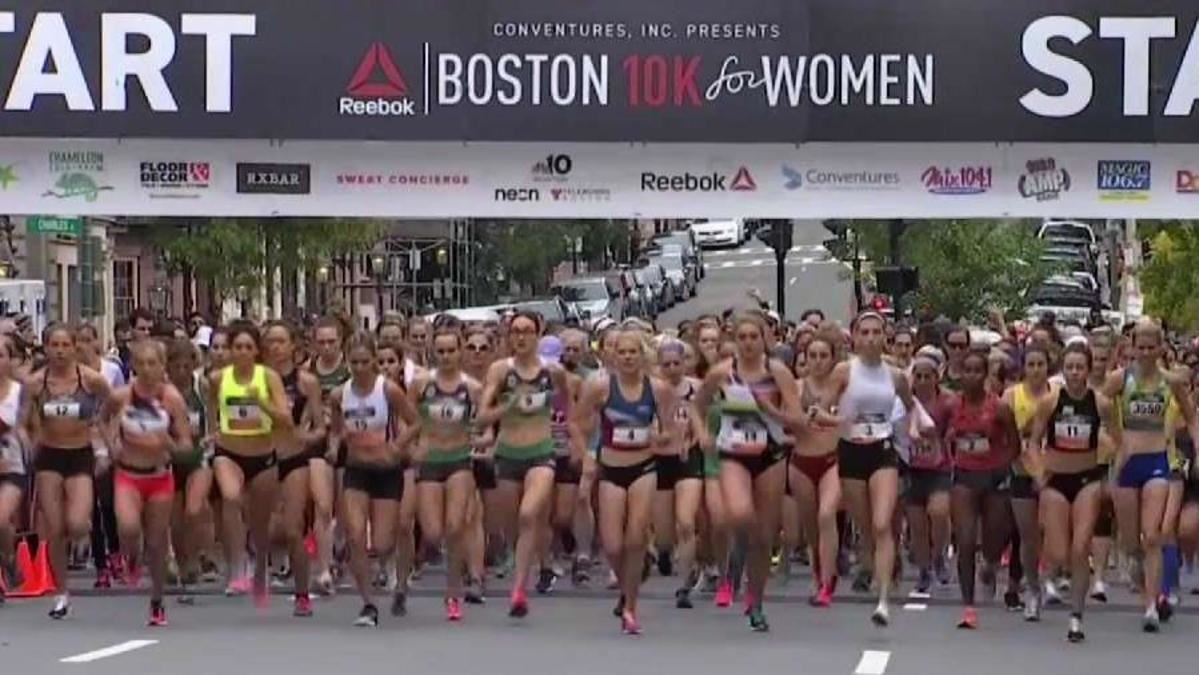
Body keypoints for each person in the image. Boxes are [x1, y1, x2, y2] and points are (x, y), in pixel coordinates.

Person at [694, 314, 801, 632]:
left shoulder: (777, 372)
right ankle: (739, 549)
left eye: (754, 336)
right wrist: (703, 434)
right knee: (740, 514)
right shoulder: (722, 373)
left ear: (764, 338)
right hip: (733, 452)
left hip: (770, 453)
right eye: (742, 337)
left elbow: (796, 418)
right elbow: (697, 407)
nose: (748, 343)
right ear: (735, 340)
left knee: (765, 537)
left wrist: (772, 411)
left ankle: (756, 600)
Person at [827, 311, 926, 627]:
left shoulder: (895, 375)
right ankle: (870, 560)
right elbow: (823, 409)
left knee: (883, 523)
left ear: (885, 337)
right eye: (864, 332)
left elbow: (911, 407)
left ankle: (883, 599)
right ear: (855, 337)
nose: (870, 338)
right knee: (867, 526)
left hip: (883, 450)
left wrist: (913, 429)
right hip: (851, 450)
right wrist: (835, 419)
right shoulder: (844, 371)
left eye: (876, 332)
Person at [1103, 318, 1199, 631]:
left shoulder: (1170, 382)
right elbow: (1098, 405)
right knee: (1132, 542)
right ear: (1132, 348)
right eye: (1140, 348)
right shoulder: (1120, 379)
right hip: (1127, 464)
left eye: (1151, 347)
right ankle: (1139, 568)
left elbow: (1191, 417)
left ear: (1160, 348)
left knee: (1153, 535)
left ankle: (1150, 607)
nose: (1145, 353)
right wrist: (1113, 439)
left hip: (1158, 460)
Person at [575, 327, 671, 634]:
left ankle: (630, 607)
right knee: (613, 545)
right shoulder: (600, 387)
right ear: (613, 357)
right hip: (611, 468)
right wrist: (586, 453)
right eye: (622, 352)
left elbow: (671, 430)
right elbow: (578, 421)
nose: (628, 358)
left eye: (633, 352)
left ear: (642, 356)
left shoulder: (657, 388)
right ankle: (628, 581)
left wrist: (659, 438)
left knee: (635, 537)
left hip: (644, 467)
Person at [478, 311, 574, 618]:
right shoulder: (500, 370)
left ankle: (519, 589)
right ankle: (535, 565)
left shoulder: (553, 371)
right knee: (513, 526)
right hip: (507, 454)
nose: (521, 337)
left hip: (541, 453)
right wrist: (507, 403)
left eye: (527, 331)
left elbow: (569, 405)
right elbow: (482, 416)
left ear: (538, 334)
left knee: (529, 514)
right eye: (516, 331)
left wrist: (572, 439)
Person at [1027, 342, 1121, 642]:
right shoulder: (1050, 401)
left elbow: (1119, 441)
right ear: (1063, 370)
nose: (1075, 373)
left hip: (1087, 480)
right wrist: (1038, 472)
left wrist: (1111, 470)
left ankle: (1076, 617)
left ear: (1089, 369)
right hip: (1056, 480)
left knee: (1081, 547)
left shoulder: (1101, 403)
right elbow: (1033, 442)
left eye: (1080, 367)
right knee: (1059, 552)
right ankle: (1043, 582)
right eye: (1070, 367)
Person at [22, 323, 112, 619]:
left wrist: (105, 446)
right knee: (56, 528)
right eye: (54, 345)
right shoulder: (36, 383)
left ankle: (83, 538)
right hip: (49, 456)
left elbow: (114, 407)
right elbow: (24, 420)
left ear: (75, 348)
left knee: (76, 522)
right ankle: (61, 593)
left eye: (65, 345)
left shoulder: (91, 380)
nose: (60, 351)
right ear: (45, 348)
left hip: (80, 454)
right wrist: (29, 442)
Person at [328, 332, 415, 627]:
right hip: (357, 469)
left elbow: (415, 423)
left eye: (365, 362)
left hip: (386, 470)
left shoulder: (388, 390)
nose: (359, 368)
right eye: (354, 362)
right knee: (355, 534)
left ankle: (398, 577)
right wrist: (334, 446)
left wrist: (397, 447)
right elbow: (336, 430)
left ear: (374, 361)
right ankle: (367, 603)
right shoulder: (339, 395)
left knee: (382, 543)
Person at [103, 339, 192, 626]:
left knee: (156, 542)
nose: (146, 369)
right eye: (140, 363)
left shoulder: (171, 398)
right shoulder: (122, 396)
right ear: (133, 366)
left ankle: (157, 600)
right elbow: (101, 419)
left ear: (162, 366)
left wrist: (167, 442)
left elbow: (186, 444)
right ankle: (130, 557)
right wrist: (110, 445)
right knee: (128, 527)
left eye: (152, 363)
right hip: (128, 473)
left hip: (158, 476)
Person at [208, 321, 294, 606]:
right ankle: (237, 566)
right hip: (228, 451)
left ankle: (260, 566)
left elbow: (285, 419)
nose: (242, 352)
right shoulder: (218, 378)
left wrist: (262, 403)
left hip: (262, 454)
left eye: (248, 347)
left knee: (259, 519)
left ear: (257, 350)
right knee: (231, 498)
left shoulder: (268, 377)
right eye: (237, 347)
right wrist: (213, 431)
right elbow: (212, 408)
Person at [410, 328, 484, 620]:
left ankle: (453, 592)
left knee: (455, 527)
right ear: (433, 352)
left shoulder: (472, 387)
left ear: (459, 351)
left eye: (451, 351)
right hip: (430, 460)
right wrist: (412, 447)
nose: (446, 356)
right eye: (440, 351)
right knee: (432, 532)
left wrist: (481, 440)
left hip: (459, 460)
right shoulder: (421, 384)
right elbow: (408, 419)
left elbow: (485, 426)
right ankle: (446, 567)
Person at [946, 350, 1020, 629]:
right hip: (964, 477)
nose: (972, 376)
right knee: (965, 541)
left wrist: (1003, 468)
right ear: (960, 374)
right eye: (968, 370)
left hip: (994, 478)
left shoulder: (999, 408)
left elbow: (1014, 443)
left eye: (978, 371)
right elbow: (940, 434)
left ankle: (990, 564)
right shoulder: (953, 405)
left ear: (986, 375)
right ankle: (968, 605)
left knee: (993, 539)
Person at [263, 320, 325, 616]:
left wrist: (306, 437)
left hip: (294, 457)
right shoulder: (256, 379)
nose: (275, 347)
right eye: (270, 342)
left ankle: (302, 593)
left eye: (281, 341)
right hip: (261, 457)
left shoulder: (306, 382)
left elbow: (320, 427)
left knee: (292, 530)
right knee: (268, 530)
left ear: (293, 346)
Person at [791, 335, 845, 606]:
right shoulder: (796, 387)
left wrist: (829, 419)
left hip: (832, 460)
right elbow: (785, 422)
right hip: (801, 461)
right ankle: (819, 571)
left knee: (826, 515)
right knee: (811, 528)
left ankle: (826, 582)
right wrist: (801, 421)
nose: (818, 361)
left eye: (824, 356)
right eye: (812, 356)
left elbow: (851, 422)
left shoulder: (842, 388)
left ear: (833, 359)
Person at [654, 339, 705, 609]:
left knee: (685, 522)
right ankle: (664, 552)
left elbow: (704, 424)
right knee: (664, 534)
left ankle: (684, 584)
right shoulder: (652, 390)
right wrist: (658, 437)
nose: (672, 369)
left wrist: (691, 441)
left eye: (677, 363)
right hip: (660, 460)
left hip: (688, 459)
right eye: (667, 365)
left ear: (685, 363)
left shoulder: (697, 388)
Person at [165, 338, 213, 605]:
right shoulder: (162, 391)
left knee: (194, 510)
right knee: (175, 519)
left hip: (198, 456)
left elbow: (214, 418)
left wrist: (210, 437)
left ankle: (194, 558)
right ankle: (182, 564)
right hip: (171, 459)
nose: (182, 372)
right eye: (177, 367)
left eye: (187, 366)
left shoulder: (202, 387)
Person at [905, 350, 954, 593]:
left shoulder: (947, 402)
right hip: (912, 468)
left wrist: (941, 437)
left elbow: (955, 428)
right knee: (917, 524)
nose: (923, 381)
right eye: (919, 376)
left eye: (927, 376)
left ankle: (939, 556)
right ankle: (924, 570)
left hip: (939, 467)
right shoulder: (905, 401)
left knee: (939, 511)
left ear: (936, 378)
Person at [0, 336, 26, 603]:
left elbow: (32, 428)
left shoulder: (20, 393)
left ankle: (8, 558)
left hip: (12, 468)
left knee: (1, 519)